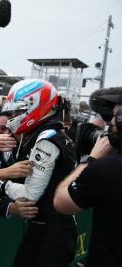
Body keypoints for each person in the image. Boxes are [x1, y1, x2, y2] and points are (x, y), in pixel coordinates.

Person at [0, 79, 77, 266]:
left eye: (18, 110)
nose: (13, 116)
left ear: (36, 105)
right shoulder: (45, 134)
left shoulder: (47, 139)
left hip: (52, 234)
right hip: (44, 229)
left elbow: (29, 195)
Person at [54, 93, 122, 266]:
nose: (111, 123)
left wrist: (92, 159)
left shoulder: (108, 169)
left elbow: (61, 202)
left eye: (114, 117)